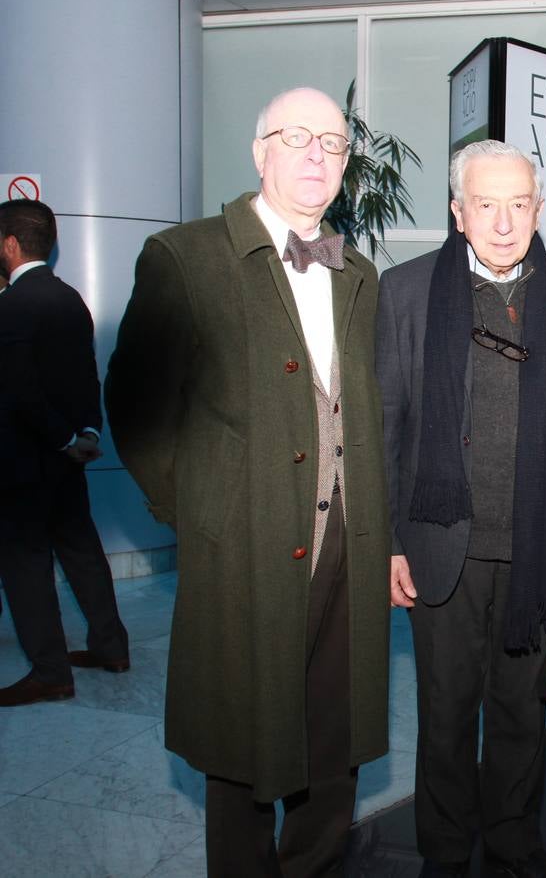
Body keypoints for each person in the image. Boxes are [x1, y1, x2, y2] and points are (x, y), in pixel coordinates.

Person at [106, 87, 391, 877]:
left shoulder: (358, 274)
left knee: (333, 730)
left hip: (348, 546)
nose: (315, 156)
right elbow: (137, 408)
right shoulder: (187, 257)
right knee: (240, 736)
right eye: (295, 138)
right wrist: (204, 513)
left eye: (332, 144)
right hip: (245, 546)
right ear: (259, 150)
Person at [377, 139, 546, 878]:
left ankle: (512, 842)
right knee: (444, 718)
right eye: (485, 204)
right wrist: (386, 543)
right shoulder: (406, 292)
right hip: (442, 547)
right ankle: (444, 853)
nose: (503, 222)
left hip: (541, 548)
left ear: (540, 208)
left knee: (520, 718)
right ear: (457, 211)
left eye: (518, 204)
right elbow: (384, 424)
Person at [0, 198, 130, 707]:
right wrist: (85, 434)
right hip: (68, 454)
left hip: (22, 458)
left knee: (26, 564)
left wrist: (56, 436)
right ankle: (111, 646)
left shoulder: (12, 305)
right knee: (80, 549)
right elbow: (83, 375)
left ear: (10, 243)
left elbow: (18, 389)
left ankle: (51, 672)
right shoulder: (69, 298)